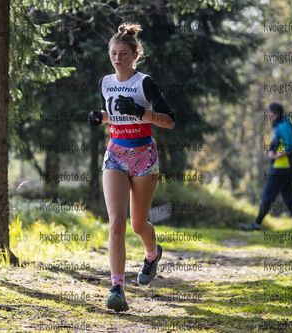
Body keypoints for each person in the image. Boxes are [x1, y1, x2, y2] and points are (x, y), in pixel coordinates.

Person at [88, 22, 175, 312]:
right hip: (115, 154)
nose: (117, 58)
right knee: (116, 222)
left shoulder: (145, 83)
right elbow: (113, 115)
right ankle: (117, 288)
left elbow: (170, 120)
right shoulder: (105, 82)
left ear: (135, 54)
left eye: (123, 53)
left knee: (138, 224)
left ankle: (152, 254)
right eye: (113, 53)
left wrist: (142, 112)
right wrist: (100, 117)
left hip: (144, 157)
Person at [240, 102, 292, 231]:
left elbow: (291, 145)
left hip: (281, 168)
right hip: (287, 167)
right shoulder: (281, 125)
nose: (267, 115)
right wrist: (270, 151)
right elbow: (280, 143)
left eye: (269, 112)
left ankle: (256, 224)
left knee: (267, 196)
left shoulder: (283, 126)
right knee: (289, 197)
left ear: (276, 113)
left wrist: (276, 156)